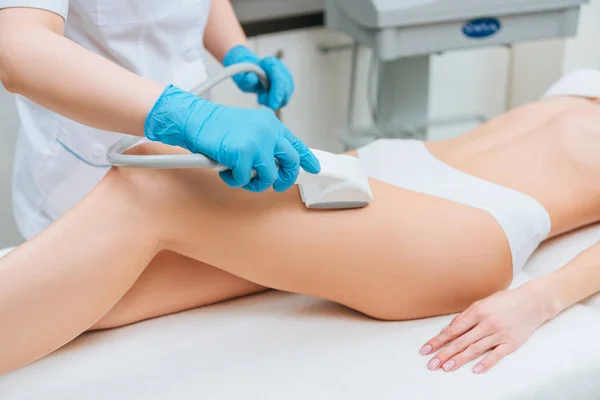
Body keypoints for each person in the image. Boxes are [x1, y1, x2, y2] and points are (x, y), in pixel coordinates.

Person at [2, 70, 600, 376]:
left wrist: (540, 298)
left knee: (152, 182)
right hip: (392, 170)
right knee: (109, 291)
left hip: (469, 222)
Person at [0, 2, 320, 240]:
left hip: (189, 159)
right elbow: (20, 48)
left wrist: (237, 50)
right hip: (89, 167)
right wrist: (185, 115)